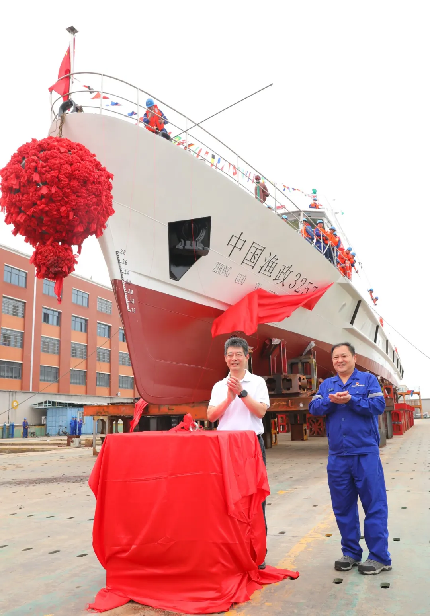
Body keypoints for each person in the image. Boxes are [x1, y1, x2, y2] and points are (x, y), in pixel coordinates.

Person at [309, 342, 391, 575]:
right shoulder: (327, 384)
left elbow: (378, 405)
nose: (340, 360)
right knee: (343, 506)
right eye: (336, 357)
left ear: (354, 358)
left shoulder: (368, 380)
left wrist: (351, 400)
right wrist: (331, 401)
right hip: (338, 455)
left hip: (365, 453)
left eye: (344, 356)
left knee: (374, 504)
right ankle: (351, 553)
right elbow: (314, 407)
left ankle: (379, 557)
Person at [207, 336, 270, 569]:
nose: (234, 358)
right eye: (230, 355)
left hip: (251, 445)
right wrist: (229, 398)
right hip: (225, 446)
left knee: (255, 499)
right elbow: (211, 416)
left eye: (238, 354)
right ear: (225, 358)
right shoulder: (218, 386)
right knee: (227, 499)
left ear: (247, 357)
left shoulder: (258, 383)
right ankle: (232, 551)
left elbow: (261, 412)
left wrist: (242, 393)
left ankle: (257, 552)